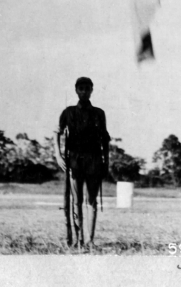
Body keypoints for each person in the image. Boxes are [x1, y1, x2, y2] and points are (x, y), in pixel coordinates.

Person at [53, 77, 110, 248]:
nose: (84, 91)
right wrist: (57, 154)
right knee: (76, 201)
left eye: (87, 88)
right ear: (76, 90)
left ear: (92, 90)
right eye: (81, 88)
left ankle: (89, 241)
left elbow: (105, 139)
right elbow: (57, 132)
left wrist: (106, 161)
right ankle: (76, 239)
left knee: (91, 201)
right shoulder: (68, 112)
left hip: (94, 161)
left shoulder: (99, 113)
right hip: (75, 161)